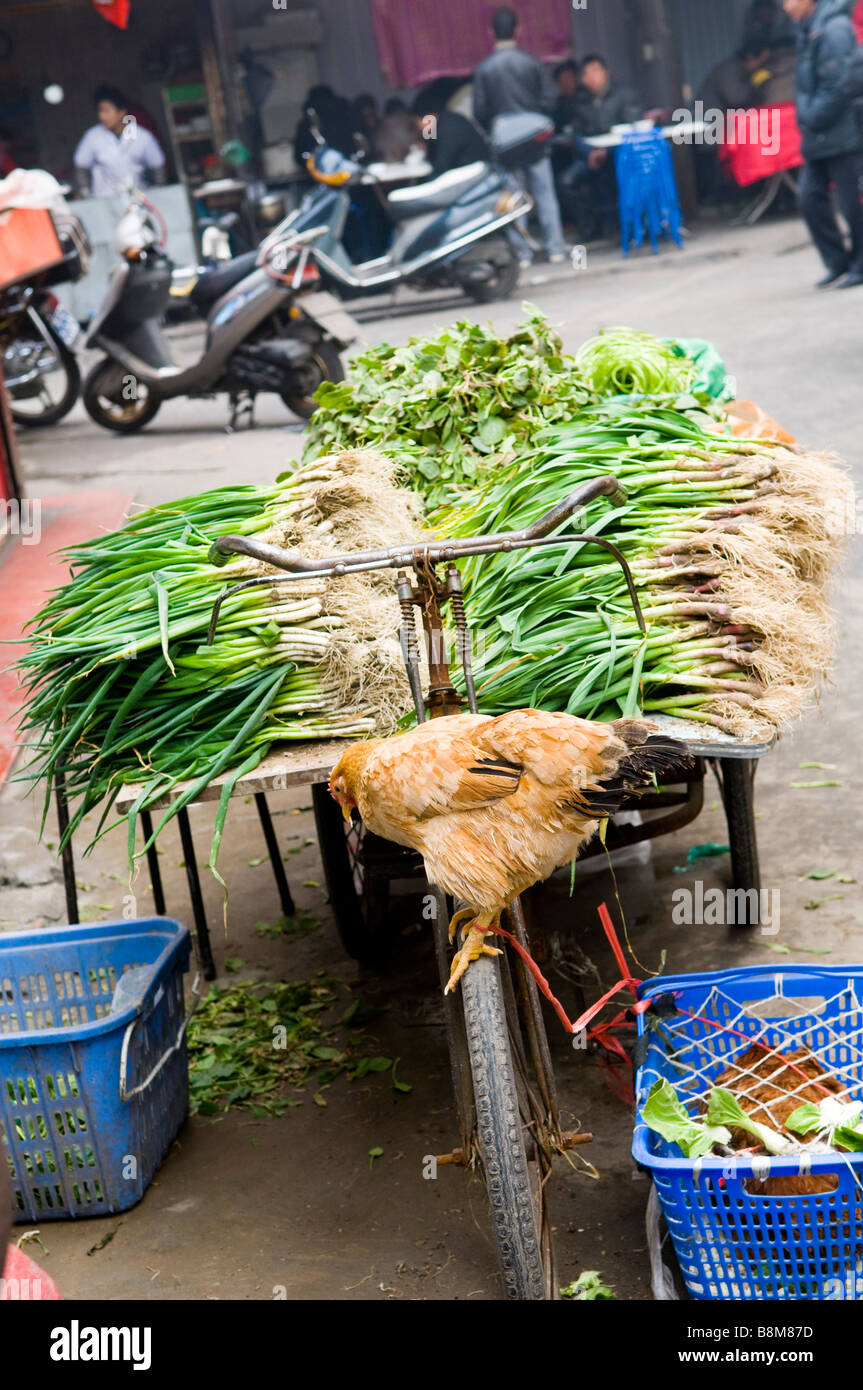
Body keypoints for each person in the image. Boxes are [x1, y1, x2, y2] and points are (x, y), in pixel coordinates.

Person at [472, 5, 567, 264]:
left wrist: (497, 127)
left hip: (505, 138)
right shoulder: (531, 62)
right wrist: (537, 119)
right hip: (535, 135)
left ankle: (522, 254)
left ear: (490, 32)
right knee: (545, 193)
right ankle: (555, 248)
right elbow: (550, 98)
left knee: (513, 196)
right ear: (518, 30)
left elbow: (479, 110)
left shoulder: (484, 69)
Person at [783, 0, 863, 288]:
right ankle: (837, 262)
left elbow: (838, 84)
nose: (786, 7)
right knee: (808, 197)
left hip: (843, 131)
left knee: (852, 203)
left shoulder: (833, 29)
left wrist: (812, 115)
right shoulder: (809, 28)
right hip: (817, 133)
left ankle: (860, 264)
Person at [73, 85, 165, 198]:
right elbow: (81, 167)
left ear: (121, 112)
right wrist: (86, 195)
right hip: (104, 202)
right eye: (100, 111)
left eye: (106, 111)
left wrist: (158, 194)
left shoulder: (143, 136)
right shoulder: (92, 136)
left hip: (138, 200)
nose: (101, 116)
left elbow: (158, 168)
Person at [412, 92, 490, 176]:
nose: (418, 130)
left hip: (478, 174)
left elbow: (441, 167)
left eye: (416, 125)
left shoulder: (448, 128)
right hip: (472, 171)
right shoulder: (444, 122)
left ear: (429, 116)